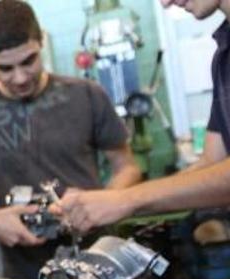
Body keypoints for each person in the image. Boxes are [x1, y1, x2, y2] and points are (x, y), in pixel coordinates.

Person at [0, 0, 142, 279]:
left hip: (98, 265)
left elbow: (127, 167)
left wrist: (102, 204)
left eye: (28, 61)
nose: (19, 77)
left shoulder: (86, 95)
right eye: (5, 68)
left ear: (40, 41)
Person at [56, 0, 230, 235]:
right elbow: (212, 161)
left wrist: (128, 199)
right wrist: (106, 202)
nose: (166, 3)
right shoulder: (224, 56)